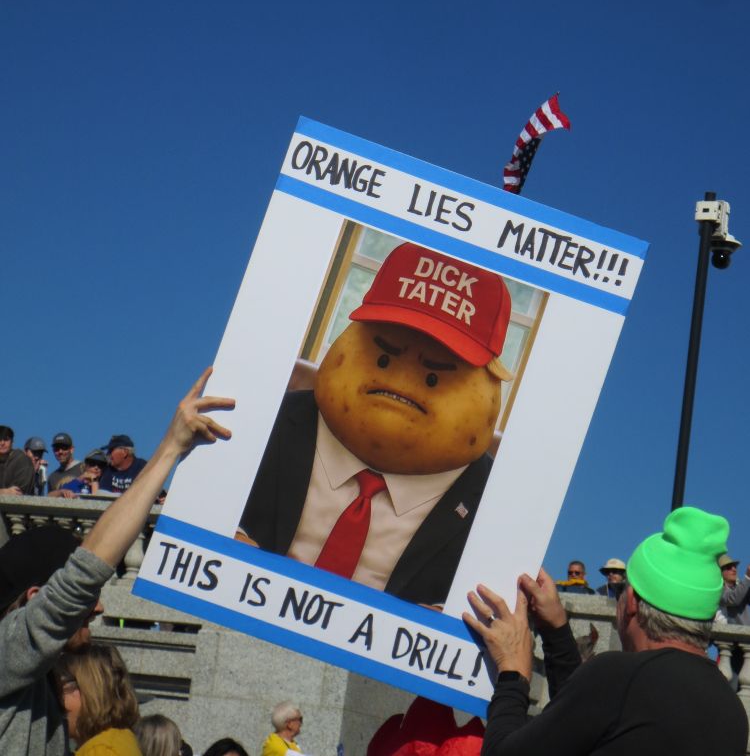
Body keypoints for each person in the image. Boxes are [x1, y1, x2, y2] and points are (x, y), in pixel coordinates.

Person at [239, 241, 514, 604]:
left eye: (434, 377)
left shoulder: (495, 505)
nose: (401, 384)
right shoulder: (263, 423)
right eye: (383, 359)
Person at [0, 367, 234, 755]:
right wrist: (170, 449)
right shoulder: (7, 652)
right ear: (37, 599)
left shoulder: (38, 679)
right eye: (87, 599)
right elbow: (84, 572)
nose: (100, 606)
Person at [464, 506, 749, 755]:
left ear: (633, 601)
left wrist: (512, 674)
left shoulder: (620, 677)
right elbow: (589, 718)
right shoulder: (731, 710)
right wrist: (556, 631)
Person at [55, 642, 141, 754]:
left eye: (59, 687)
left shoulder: (101, 750)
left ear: (89, 690)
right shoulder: (118, 740)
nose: (55, 698)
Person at [0, 424, 35, 495]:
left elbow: (17, 493)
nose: (2, 443)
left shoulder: (22, 460)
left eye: (6, 439)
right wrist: (4, 492)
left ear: (12, 442)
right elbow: (8, 493)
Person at [719, 553, 750, 625]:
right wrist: (748, 578)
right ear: (721, 572)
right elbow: (733, 599)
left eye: (735, 566)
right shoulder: (719, 590)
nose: (734, 569)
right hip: (729, 634)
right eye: (729, 567)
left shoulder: (741, 587)